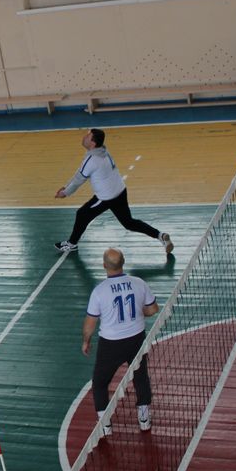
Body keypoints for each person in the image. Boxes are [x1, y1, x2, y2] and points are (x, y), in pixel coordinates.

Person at [53, 128, 173, 256]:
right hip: (120, 191)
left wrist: (65, 193)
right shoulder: (103, 150)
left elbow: (78, 180)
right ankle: (160, 235)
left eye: (87, 136)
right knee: (129, 223)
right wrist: (66, 187)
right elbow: (80, 173)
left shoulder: (92, 160)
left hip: (106, 197)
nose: (84, 137)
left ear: (93, 143)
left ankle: (72, 244)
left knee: (82, 214)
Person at [83, 249, 160, 434]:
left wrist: (86, 341)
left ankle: (105, 425)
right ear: (123, 262)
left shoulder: (99, 291)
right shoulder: (139, 283)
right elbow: (153, 309)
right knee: (140, 376)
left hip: (111, 344)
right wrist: (138, 313)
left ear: (104, 265)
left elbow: (90, 324)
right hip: (136, 339)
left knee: (100, 382)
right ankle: (144, 419)